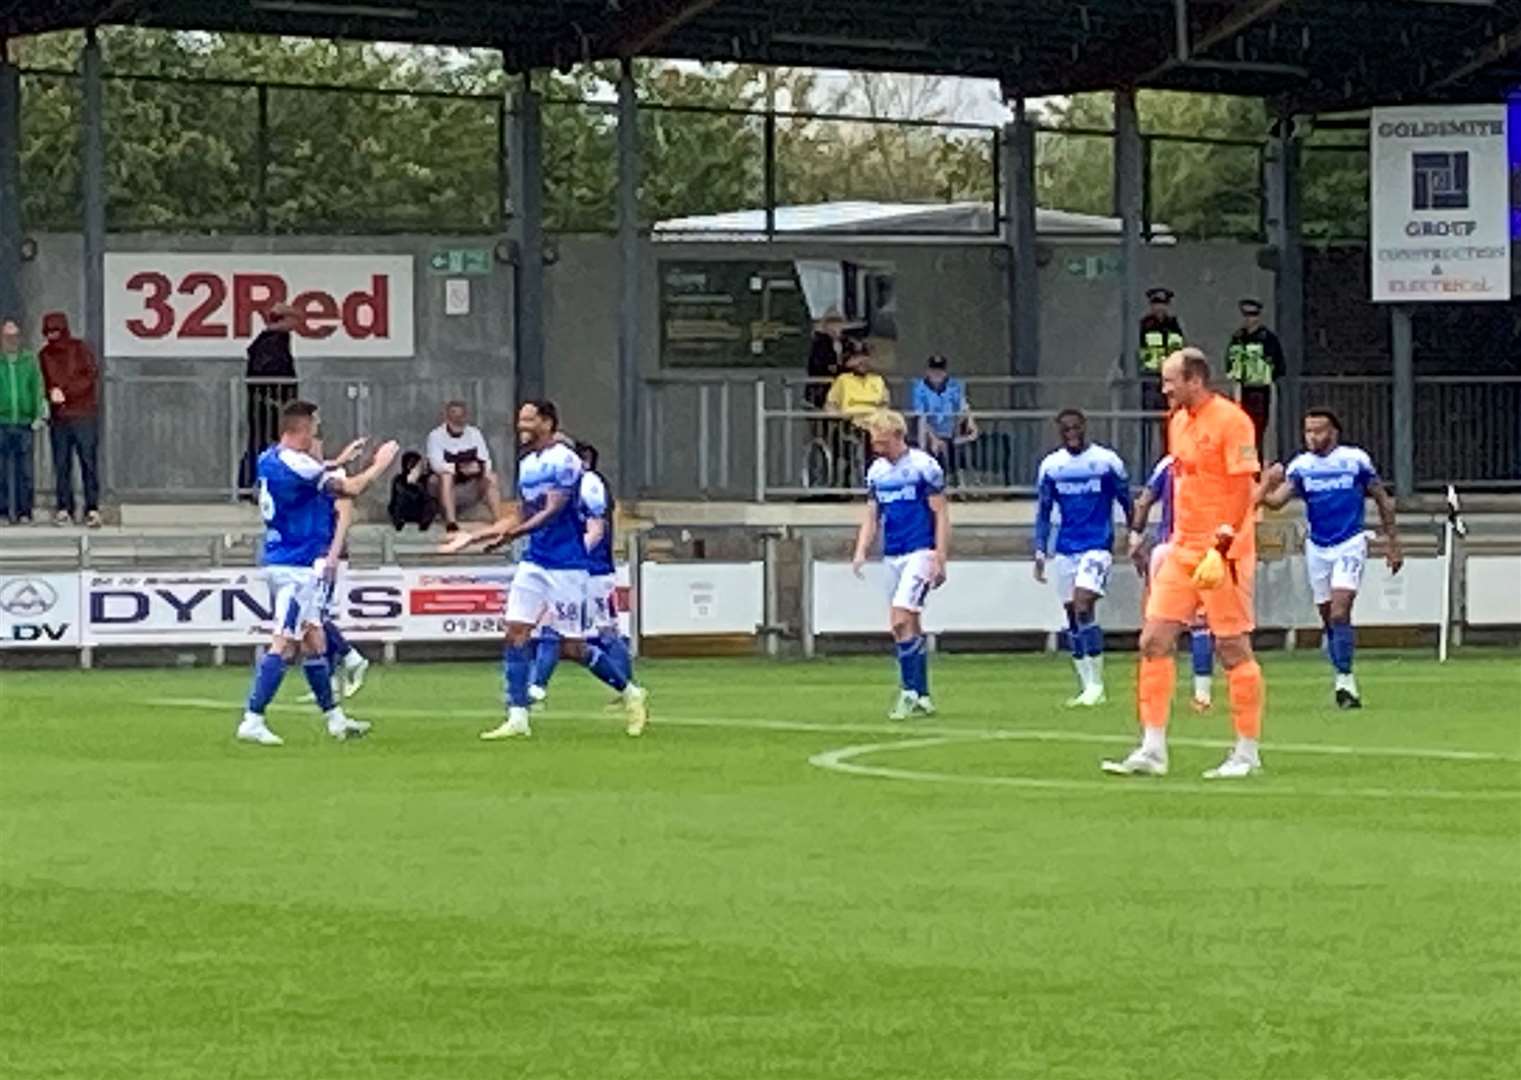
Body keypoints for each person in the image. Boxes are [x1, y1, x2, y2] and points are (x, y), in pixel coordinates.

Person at [440, 400, 649, 740]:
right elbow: (523, 513)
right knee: (515, 632)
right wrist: (477, 537)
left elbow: (553, 511)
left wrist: (513, 534)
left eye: (529, 419)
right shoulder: (527, 464)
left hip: (567, 565)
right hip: (535, 561)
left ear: (548, 422)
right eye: (520, 418)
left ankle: (630, 692)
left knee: (573, 647)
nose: (521, 424)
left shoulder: (564, 460)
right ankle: (518, 715)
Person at [1105, 348, 1264, 780]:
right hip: (1182, 548)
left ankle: (1247, 752)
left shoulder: (1233, 421)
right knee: (1154, 639)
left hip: (1222, 550)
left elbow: (1242, 488)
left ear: (1195, 379)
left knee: (1232, 648)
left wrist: (1224, 543)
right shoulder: (1177, 422)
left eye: (1170, 380)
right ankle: (1153, 748)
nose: (1164, 388)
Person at [237, 401, 397, 747]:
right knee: (283, 642)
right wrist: (379, 465)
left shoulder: (269, 458)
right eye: (314, 428)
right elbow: (351, 489)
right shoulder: (301, 466)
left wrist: (337, 461)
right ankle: (253, 717)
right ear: (303, 429)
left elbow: (311, 470)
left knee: (315, 641)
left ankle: (336, 720)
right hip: (296, 567)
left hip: (283, 559)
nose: (316, 434)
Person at [1258, 409, 1403, 709]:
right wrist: (1266, 480)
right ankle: (1341, 674)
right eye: (1308, 431)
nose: (1312, 437)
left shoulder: (1355, 460)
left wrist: (1393, 543)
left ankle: (1345, 681)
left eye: (1318, 431)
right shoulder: (1301, 466)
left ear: (1333, 432)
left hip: (1350, 542)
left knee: (1339, 612)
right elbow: (1274, 502)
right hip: (1317, 547)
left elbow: (1381, 499)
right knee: (1328, 618)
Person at [850, 410, 950, 720]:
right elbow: (872, 515)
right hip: (892, 555)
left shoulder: (924, 467)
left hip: (920, 552)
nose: (875, 444)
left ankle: (907, 692)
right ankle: (922, 695)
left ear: (896, 435)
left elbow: (941, 514)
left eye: (880, 438)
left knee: (899, 619)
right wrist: (861, 550)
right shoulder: (877, 472)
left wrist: (940, 556)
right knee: (909, 626)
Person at [1033, 409, 1132, 707]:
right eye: (1066, 430)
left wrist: (1134, 533)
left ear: (1084, 428)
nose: (1072, 434)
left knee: (1083, 603)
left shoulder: (1106, 462)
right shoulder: (1052, 466)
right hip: (1065, 548)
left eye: (1076, 428)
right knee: (1071, 616)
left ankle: (1097, 683)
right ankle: (1087, 682)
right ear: (1060, 433)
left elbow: (1127, 499)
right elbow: (1045, 510)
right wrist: (1040, 548)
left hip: (1097, 545)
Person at [529, 441, 635, 706]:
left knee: (604, 631)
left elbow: (596, 530)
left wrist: (571, 557)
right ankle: (537, 687)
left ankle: (627, 687)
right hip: (575, 571)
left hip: (594, 573)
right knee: (553, 625)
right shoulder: (565, 489)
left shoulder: (590, 483)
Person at [1130, 454, 1215, 712]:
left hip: (1168, 549)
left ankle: (1157, 696)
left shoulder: (1169, 463)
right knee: (1201, 623)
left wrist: (1135, 537)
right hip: (1203, 550)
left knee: (1159, 624)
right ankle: (1202, 694)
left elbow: (1144, 501)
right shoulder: (1216, 462)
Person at [297, 437, 373, 705]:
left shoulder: (335, 478)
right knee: (316, 616)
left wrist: (333, 554)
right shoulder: (310, 476)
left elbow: (344, 518)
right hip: (313, 554)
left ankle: (352, 657)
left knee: (313, 616)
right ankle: (329, 682)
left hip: (327, 555)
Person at [38, 312, 102, 528]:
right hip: (60, 418)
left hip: (83, 415)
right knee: (62, 464)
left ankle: (92, 508)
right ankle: (64, 507)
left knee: (88, 462)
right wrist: (50, 395)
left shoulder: (79, 348)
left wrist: (65, 392)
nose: (53, 336)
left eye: (56, 331)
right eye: (49, 332)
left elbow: (90, 376)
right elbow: (44, 382)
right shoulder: (44, 354)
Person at [242, 303, 299, 493]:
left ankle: (257, 484)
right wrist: (279, 399)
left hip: (269, 403)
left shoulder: (272, 341)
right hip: (268, 404)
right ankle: (252, 484)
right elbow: (268, 373)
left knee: (263, 444)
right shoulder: (272, 342)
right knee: (263, 444)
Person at [426, 400, 503, 533]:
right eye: (454, 415)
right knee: (445, 476)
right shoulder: (435, 436)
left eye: (461, 416)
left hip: (470, 486)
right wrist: (459, 469)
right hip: (444, 488)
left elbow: (486, 460)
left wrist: (479, 468)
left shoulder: (475, 434)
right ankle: (451, 522)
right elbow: (436, 464)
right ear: (447, 417)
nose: (458, 419)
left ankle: (498, 520)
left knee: (491, 476)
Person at [1224, 298, 1286, 459]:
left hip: (1261, 389)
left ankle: (1256, 463)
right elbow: (1230, 362)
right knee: (1243, 428)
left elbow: (1279, 364)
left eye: (1253, 315)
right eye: (1246, 315)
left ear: (1258, 316)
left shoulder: (1268, 339)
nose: (1249, 319)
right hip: (1242, 388)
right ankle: (1248, 462)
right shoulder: (1237, 338)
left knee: (1258, 429)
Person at [0, 318, 46, 526]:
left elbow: (37, 387)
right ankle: (2, 512)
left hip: (24, 421)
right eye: (7, 336)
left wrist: (38, 413)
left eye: (14, 336)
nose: (11, 340)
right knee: (1, 470)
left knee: (25, 471)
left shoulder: (29, 360)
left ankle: (24, 511)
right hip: (2, 420)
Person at [825, 339, 889, 482]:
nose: (862, 362)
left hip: (875, 422)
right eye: (857, 358)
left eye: (864, 357)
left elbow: (885, 404)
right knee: (863, 438)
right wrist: (839, 415)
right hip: (850, 423)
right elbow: (830, 405)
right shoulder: (843, 380)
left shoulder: (877, 380)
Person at [911, 354, 977, 485]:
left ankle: (962, 484)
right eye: (934, 369)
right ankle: (927, 481)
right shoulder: (919, 387)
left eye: (940, 370)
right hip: (929, 432)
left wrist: (971, 424)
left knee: (966, 442)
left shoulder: (954, 385)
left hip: (951, 430)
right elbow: (921, 415)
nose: (937, 373)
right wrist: (934, 438)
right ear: (927, 371)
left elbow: (963, 407)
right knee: (925, 431)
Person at [1138, 287, 1184, 463]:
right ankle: (1147, 464)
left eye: (1163, 304)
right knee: (1148, 425)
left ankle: (1168, 461)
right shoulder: (1144, 325)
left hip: (1170, 380)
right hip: (1150, 379)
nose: (1160, 308)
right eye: (1156, 304)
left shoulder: (1174, 325)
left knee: (1170, 425)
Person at [805, 307, 848, 409]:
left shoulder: (847, 343)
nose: (835, 327)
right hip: (822, 389)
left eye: (838, 323)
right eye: (831, 323)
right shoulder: (819, 344)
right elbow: (818, 365)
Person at [387, 450, 438, 531]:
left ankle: (424, 524)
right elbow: (398, 499)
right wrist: (410, 484)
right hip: (404, 511)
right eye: (418, 465)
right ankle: (399, 522)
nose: (421, 467)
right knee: (396, 505)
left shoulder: (425, 479)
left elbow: (427, 498)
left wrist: (418, 485)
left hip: (419, 512)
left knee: (432, 503)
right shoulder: (399, 479)